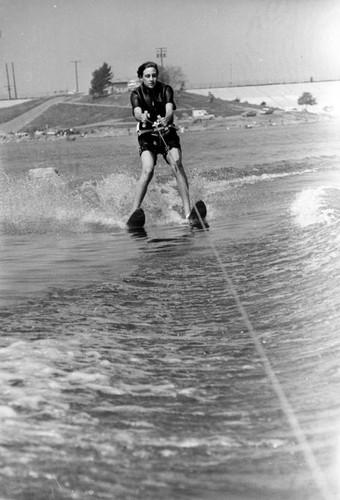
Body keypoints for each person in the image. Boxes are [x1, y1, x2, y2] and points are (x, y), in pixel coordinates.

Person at [129, 61, 191, 220]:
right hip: (147, 135)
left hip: (167, 133)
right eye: (147, 76)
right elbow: (136, 111)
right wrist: (141, 116)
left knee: (177, 165)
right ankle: (133, 212)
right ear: (141, 77)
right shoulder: (136, 94)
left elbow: (169, 110)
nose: (151, 79)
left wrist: (167, 118)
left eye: (154, 75)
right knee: (148, 170)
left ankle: (188, 212)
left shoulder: (166, 90)